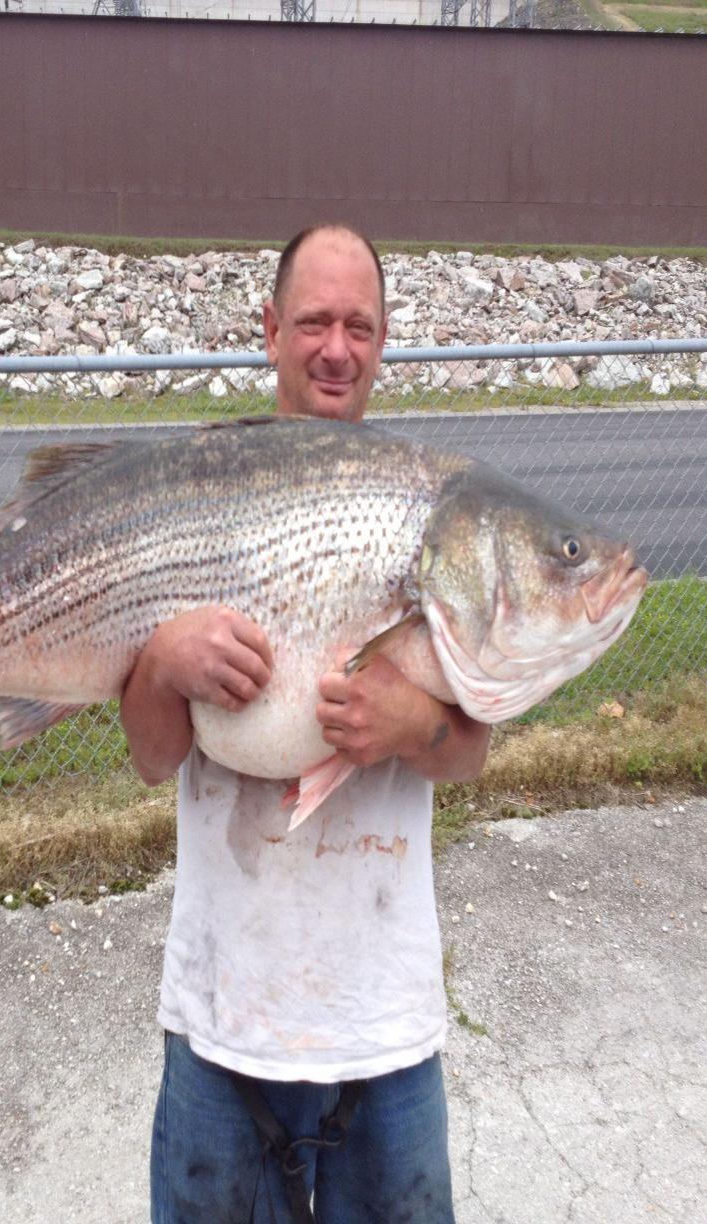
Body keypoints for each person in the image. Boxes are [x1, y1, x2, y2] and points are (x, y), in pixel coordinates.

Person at [120, 224, 492, 1223]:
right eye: (317, 321)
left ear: (383, 342)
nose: (338, 348)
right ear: (272, 329)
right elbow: (156, 758)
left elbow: (469, 752)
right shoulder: (198, 486)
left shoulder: (428, 518)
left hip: (385, 1029)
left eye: (360, 326)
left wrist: (414, 721)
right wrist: (160, 662)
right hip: (221, 1019)